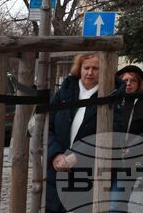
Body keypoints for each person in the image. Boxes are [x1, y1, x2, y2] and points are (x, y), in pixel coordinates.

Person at [46, 53, 129, 213]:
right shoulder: (65, 92)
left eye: (95, 68)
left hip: (89, 174)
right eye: (86, 68)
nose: (90, 72)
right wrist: (55, 154)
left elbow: (113, 135)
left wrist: (76, 156)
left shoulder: (112, 96)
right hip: (58, 171)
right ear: (79, 69)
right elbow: (46, 126)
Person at [117, 64, 143, 142]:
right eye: (125, 80)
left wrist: (134, 145)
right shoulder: (114, 101)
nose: (128, 83)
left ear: (138, 84)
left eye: (133, 80)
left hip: (136, 151)